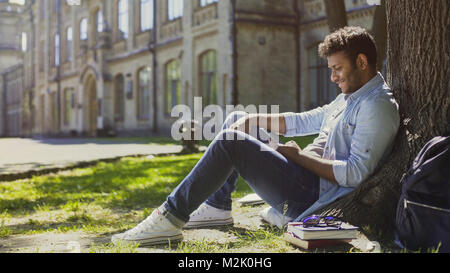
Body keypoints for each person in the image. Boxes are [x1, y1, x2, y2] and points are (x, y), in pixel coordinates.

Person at [111, 26, 400, 246]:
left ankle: (170, 217)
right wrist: (254, 118)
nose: (333, 77)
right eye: (332, 69)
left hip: (311, 195)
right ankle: (217, 207)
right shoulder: (351, 96)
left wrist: (298, 157)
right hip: (304, 176)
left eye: (338, 69)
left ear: (362, 61)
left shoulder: (376, 106)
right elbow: (303, 121)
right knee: (238, 121)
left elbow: (355, 174)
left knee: (230, 141)